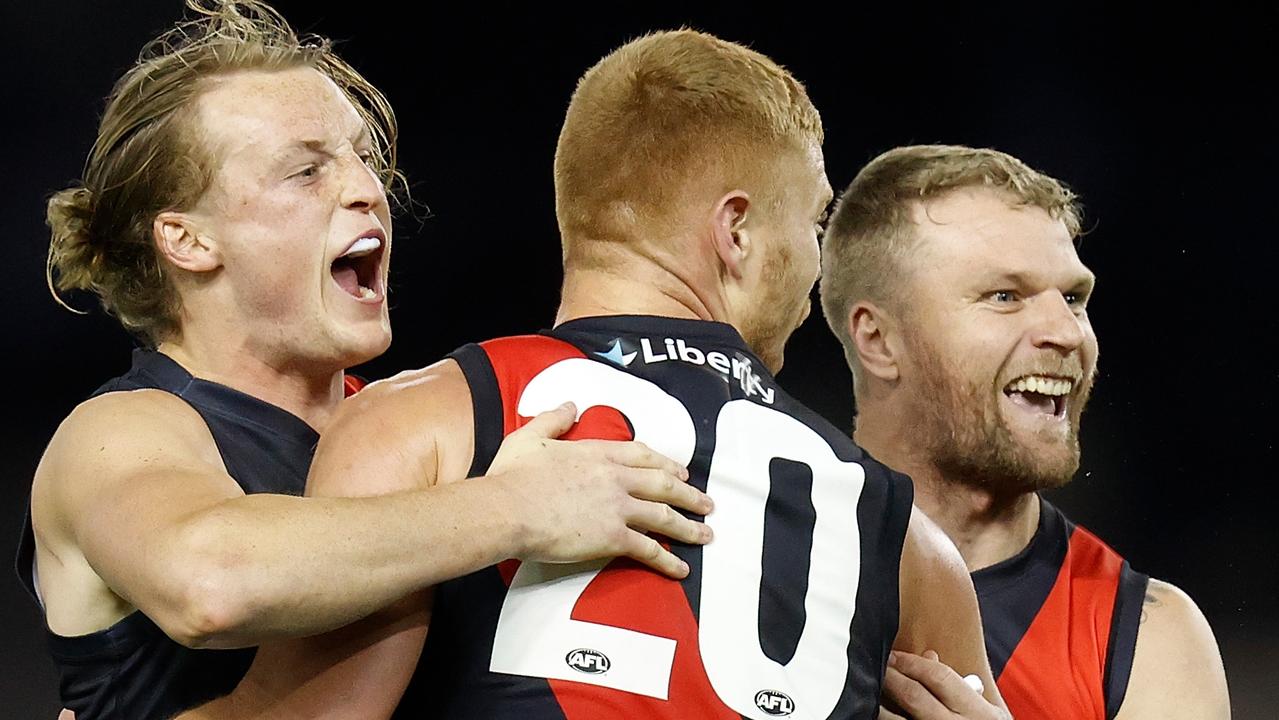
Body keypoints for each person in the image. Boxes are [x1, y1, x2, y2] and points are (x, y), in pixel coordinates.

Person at [194, 30, 1009, 720]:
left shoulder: (425, 425)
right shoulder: (905, 541)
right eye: (814, 219)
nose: (815, 265)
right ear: (737, 232)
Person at [21, 3, 711, 718]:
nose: (367, 190)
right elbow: (212, 584)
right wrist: (514, 507)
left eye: (364, 159)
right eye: (307, 171)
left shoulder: (408, 431)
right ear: (187, 240)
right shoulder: (119, 434)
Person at [818, 144, 1231, 719]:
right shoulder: (748, 563)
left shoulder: (1145, 637)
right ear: (879, 340)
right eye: (1005, 296)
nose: (1066, 332)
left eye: (1073, 298)